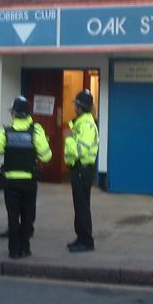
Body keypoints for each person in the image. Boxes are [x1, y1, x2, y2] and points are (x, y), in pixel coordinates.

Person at [0, 96, 52, 259]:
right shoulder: (36, 130)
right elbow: (46, 156)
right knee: (27, 215)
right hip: (29, 181)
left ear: (14, 114)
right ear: (29, 113)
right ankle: (25, 248)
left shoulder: (5, 132)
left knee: (12, 215)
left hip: (10, 181)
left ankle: (13, 250)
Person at [64, 89, 100, 253]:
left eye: (76, 105)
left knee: (82, 206)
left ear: (81, 107)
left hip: (82, 170)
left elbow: (81, 150)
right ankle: (81, 238)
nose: (74, 107)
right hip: (79, 169)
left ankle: (86, 241)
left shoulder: (86, 125)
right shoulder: (81, 123)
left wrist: (69, 138)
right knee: (79, 206)